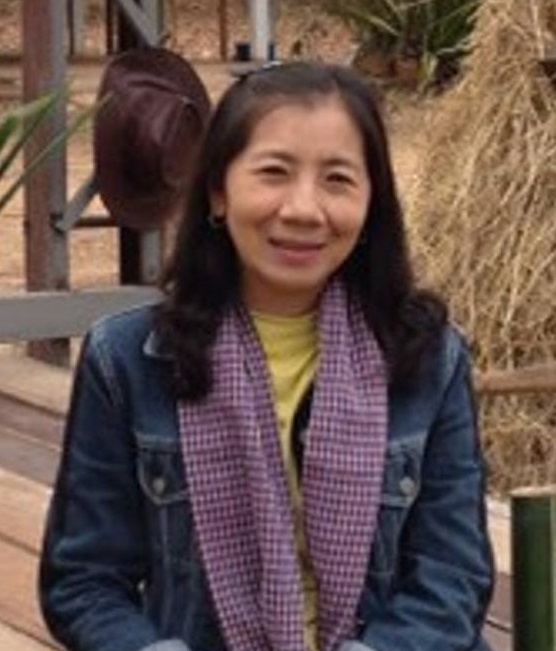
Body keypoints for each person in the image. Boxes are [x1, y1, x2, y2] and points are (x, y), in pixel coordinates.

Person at [39, 58, 494, 651]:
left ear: (371, 204)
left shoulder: (429, 358)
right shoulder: (127, 360)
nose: (303, 209)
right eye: (274, 173)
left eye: (337, 179)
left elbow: (452, 579)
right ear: (218, 192)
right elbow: (84, 582)